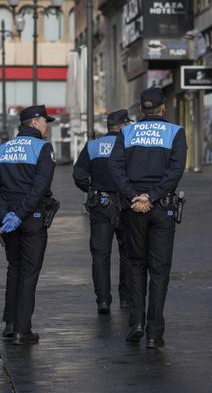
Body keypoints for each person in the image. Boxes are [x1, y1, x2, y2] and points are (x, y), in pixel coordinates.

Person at [109, 88, 187, 349]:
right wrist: (152, 196)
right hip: (161, 206)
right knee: (160, 270)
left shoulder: (126, 132)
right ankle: (154, 333)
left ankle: (136, 323)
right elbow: (175, 171)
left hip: (133, 208)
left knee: (135, 265)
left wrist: (135, 196)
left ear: (141, 109)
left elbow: (115, 168)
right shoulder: (175, 132)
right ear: (163, 108)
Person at [0, 105, 57, 345]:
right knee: (28, 272)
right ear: (35, 123)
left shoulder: (2, 149)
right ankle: (22, 330)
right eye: (46, 121)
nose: (47, 126)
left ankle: (9, 324)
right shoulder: (43, 148)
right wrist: (21, 213)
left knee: (13, 267)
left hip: (8, 223)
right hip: (31, 219)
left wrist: (5, 214)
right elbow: (40, 187)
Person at [72, 109, 134, 315]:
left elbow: (79, 174)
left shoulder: (93, 145)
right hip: (126, 203)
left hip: (101, 204)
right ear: (124, 125)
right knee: (128, 253)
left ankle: (103, 300)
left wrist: (90, 189)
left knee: (100, 254)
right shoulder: (130, 145)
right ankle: (126, 298)